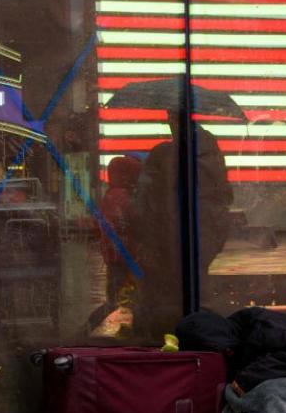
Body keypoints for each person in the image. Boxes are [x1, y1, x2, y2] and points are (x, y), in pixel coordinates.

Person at [131, 110, 234, 340]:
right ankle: (199, 335)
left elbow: (145, 199)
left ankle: (166, 337)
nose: (169, 124)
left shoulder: (163, 155)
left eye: (171, 120)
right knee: (197, 284)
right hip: (203, 232)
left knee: (168, 290)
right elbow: (224, 195)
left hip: (171, 234)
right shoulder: (211, 154)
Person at [98, 155, 142, 306]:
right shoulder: (122, 197)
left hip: (115, 257)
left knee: (116, 296)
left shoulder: (111, 195)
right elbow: (132, 222)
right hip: (124, 258)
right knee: (122, 299)